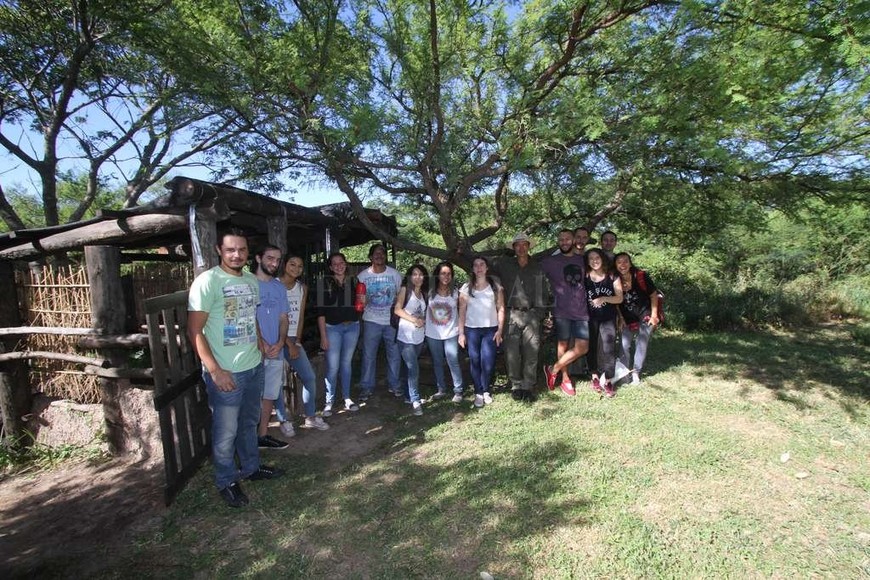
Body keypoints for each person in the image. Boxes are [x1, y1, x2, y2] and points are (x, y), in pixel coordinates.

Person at [187, 228, 284, 508]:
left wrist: (261, 344)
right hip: (226, 372)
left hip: (254, 366)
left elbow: (249, 315)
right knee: (225, 431)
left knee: (248, 424)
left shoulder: (252, 281)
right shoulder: (207, 282)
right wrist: (215, 370)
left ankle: (251, 468)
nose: (236, 254)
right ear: (219, 250)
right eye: (230, 249)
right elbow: (195, 331)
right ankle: (226, 481)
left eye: (241, 249)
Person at [496, 233, 550, 400]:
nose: (521, 248)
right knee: (511, 352)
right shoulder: (504, 265)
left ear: (529, 246)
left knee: (531, 351)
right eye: (517, 245)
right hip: (511, 313)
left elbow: (543, 291)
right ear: (513, 248)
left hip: (532, 314)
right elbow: (484, 272)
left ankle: (528, 385)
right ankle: (516, 385)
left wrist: (539, 313)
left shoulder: (537, 266)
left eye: (524, 244)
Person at [280, 255, 329, 431]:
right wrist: (288, 343)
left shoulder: (302, 288)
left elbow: (299, 317)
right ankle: (284, 420)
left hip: (294, 338)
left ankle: (310, 416)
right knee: (275, 382)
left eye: (300, 265)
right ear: (284, 265)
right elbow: (273, 320)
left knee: (309, 377)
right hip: (276, 339)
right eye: (292, 264)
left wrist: (297, 341)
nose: (296, 268)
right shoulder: (274, 286)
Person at [541, 229, 590, 396]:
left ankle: (553, 368)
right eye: (561, 239)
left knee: (582, 347)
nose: (564, 242)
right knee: (562, 344)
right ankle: (566, 379)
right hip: (561, 310)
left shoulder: (583, 260)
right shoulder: (550, 262)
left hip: (582, 310)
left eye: (567, 239)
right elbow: (531, 273)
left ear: (573, 240)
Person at [253, 245, 292, 449]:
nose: (274, 264)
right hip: (253, 352)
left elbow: (284, 318)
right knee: (251, 397)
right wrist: (262, 343)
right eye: (270, 258)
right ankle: (247, 439)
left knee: (270, 393)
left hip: (276, 350)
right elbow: (249, 317)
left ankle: (263, 435)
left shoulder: (279, 287)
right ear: (259, 257)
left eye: (277, 260)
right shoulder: (248, 283)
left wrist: (279, 342)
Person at [314, 252, 361, 416]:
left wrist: (364, 300)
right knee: (333, 366)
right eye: (335, 264)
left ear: (346, 264)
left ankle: (347, 398)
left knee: (346, 364)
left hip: (353, 326)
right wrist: (323, 336)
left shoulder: (354, 281)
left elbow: (361, 303)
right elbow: (320, 312)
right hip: (332, 328)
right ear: (330, 267)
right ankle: (329, 401)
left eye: (341, 262)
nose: (339, 266)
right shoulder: (324, 283)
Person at [358, 243, 403, 400]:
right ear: (370, 257)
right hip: (371, 321)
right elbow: (359, 300)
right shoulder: (362, 276)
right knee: (369, 355)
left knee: (395, 355)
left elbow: (400, 296)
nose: (379, 255)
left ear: (386, 257)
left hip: (391, 321)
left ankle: (395, 384)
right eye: (376, 253)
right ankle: (366, 387)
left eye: (382, 253)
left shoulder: (395, 275)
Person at [458, 256, 505, 407]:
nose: (479, 267)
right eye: (476, 265)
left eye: (482, 264)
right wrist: (461, 333)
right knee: (475, 360)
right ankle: (478, 392)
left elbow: (501, 309)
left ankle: (486, 390)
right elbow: (462, 311)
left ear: (486, 268)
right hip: (471, 330)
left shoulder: (495, 287)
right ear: (472, 269)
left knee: (488, 362)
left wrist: (500, 330)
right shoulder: (466, 288)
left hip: (490, 330)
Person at [614, 252, 661, 385]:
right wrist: (620, 318)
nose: (623, 265)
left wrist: (654, 315)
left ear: (630, 262)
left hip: (644, 314)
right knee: (624, 344)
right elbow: (616, 302)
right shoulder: (614, 279)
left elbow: (653, 295)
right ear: (615, 265)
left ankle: (636, 372)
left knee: (641, 342)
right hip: (626, 317)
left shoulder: (640, 276)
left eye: (625, 261)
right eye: (619, 262)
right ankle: (623, 373)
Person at [585, 248, 623, 397]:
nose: (594, 261)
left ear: (602, 259)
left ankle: (608, 379)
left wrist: (604, 298)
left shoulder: (612, 276)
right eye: (591, 258)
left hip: (608, 317)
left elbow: (619, 298)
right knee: (592, 346)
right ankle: (594, 376)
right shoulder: (585, 276)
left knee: (608, 347)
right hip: (590, 318)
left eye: (597, 257)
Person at [426, 262, 464, 401]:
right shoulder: (430, 291)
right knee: (437, 361)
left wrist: (461, 332)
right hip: (432, 333)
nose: (446, 276)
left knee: (453, 359)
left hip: (451, 333)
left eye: (448, 273)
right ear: (438, 274)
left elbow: (462, 312)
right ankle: (441, 389)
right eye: (443, 273)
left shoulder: (456, 293)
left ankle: (458, 390)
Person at [394, 264, 429, 416]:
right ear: (409, 276)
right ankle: (415, 400)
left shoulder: (424, 293)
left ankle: (407, 395)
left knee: (408, 367)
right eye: (414, 274)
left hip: (419, 337)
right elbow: (397, 309)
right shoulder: (405, 290)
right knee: (413, 368)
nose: (418, 277)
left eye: (421, 274)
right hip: (405, 336)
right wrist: (414, 320)